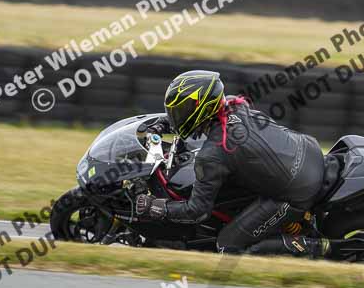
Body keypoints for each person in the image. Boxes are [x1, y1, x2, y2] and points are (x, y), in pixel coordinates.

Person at [133, 70, 337, 257]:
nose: (176, 116)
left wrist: (158, 207)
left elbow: (197, 210)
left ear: (202, 108)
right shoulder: (235, 106)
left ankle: (315, 247)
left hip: (297, 190)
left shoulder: (212, 154)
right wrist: (164, 124)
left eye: (180, 111)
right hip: (308, 150)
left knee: (228, 246)